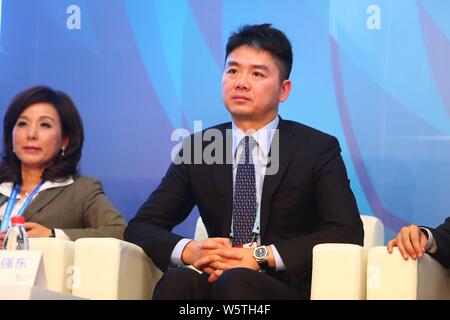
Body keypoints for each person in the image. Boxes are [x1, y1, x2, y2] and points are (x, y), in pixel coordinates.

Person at [125, 24, 363, 299]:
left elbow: (347, 231)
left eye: (257, 73)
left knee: (237, 282)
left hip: (284, 287)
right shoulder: (199, 148)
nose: (241, 82)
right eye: (233, 70)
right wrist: (192, 250)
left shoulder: (316, 148)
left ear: (283, 90)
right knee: (178, 282)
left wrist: (261, 256)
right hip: (218, 280)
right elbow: (141, 226)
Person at [0, 86, 126, 242]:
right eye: (22, 123)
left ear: (65, 140)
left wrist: (53, 235)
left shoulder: (81, 190)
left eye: (45, 125)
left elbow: (120, 232)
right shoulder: (3, 186)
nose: (31, 134)